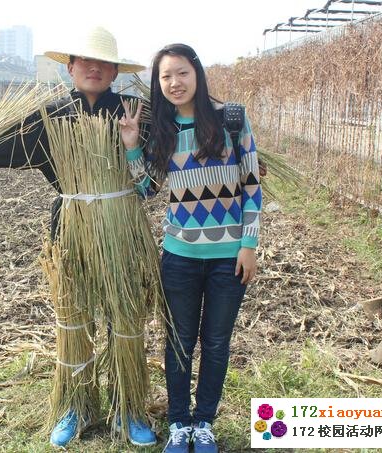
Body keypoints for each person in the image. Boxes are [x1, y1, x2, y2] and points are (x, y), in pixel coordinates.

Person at [0, 27, 156, 448]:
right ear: (71, 67)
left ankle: (128, 406)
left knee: (125, 319)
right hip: (71, 225)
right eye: (85, 60)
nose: (94, 68)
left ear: (116, 70)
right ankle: (75, 405)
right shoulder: (50, 116)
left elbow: (172, 160)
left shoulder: (137, 114)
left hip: (124, 225)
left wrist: (242, 162)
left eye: (103, 62)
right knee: (74, 317)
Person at [120, 43, 261, 453]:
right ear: (158, 84)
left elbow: (251, 185)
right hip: (179, 255)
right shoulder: (163, 131)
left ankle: (205, 424)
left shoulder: (229, 120)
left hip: (227, 257)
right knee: (179, 341)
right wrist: (132, 145)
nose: (174, 83)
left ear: (196, 74)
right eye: (165, 76)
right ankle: (180, 423)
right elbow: (147, 189)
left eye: (181, 72)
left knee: (216, 342)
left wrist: (248, 243)